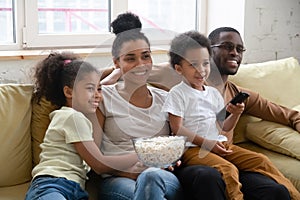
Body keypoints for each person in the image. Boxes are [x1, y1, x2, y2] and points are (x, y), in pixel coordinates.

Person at [25, 51, 140, 200]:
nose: (98, 94)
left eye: (99, 89)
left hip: (75, 190)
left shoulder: (79, 118)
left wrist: (116, 72)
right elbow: (99, 164)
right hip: (52, 184)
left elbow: (97, 84)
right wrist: (142, 155)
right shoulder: (71, 117)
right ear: (68, 92)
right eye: (90, 88)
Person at [96, 12, 183, 200]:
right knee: (147, 182)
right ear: (116, 63)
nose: (140, 65)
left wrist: (172, 158)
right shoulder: (103, 98)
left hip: (161, 176)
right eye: (130, 59)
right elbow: (95, 160)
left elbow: (177, 143)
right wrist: (131, 171)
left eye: (146, 56)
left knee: (152, 177)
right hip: (117, 178)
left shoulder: (166, 99)